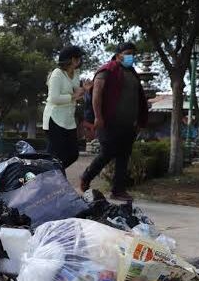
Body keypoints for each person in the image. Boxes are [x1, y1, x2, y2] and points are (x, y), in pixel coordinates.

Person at [80, 42, 148, 201]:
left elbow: (139, 98)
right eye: (128, 53)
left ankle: (118, 190)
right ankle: (86, 177)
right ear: (118, 55)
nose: (132, 57)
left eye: (133, 54)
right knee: (107, 152)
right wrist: (98, 116)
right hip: (108, 122)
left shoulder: (132, 73)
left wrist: (140, 121)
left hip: (128, 124)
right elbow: (97, 93)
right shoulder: (107, 70)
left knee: (124, 156)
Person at [43, 45, 88, 170]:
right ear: (72, 59)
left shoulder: (76, 73)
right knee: (55, 156)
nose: (80, 60)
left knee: (73, 154)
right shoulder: (57, 74)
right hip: (54, 119)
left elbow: (76, 92)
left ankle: (50, 174)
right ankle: (52, 178)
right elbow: (54, 98)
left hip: (68, 120)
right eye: (79, 58)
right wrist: (73, 96)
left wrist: (84, 89)